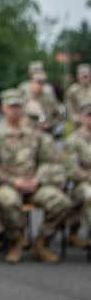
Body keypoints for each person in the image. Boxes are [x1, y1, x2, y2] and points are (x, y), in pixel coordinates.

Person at [0, 89, 69, 264]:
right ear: (3, 108)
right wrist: (14, 181)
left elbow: (48, 161)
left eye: (18, 106)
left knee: (61, 202)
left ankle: (41, 243)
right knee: (9, 201)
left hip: (34, 184)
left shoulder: (33, 135)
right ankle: (15, 242)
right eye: (11, 106)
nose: (15, 110)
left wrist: (38, 179)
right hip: (7, 184)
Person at [62, 98, 91, 249]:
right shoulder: (73, 141)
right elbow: (72, 171)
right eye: (89, 114)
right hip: (80, 185)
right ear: (81, 116)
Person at [28, 71, 62, 137]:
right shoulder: (27, 99)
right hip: (31, 134)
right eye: (37, 83)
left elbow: (58, 115)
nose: (39, 85)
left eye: (41, 83)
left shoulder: (50, 99)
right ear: (32, 83)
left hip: (47, 134)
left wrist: (50, 124)